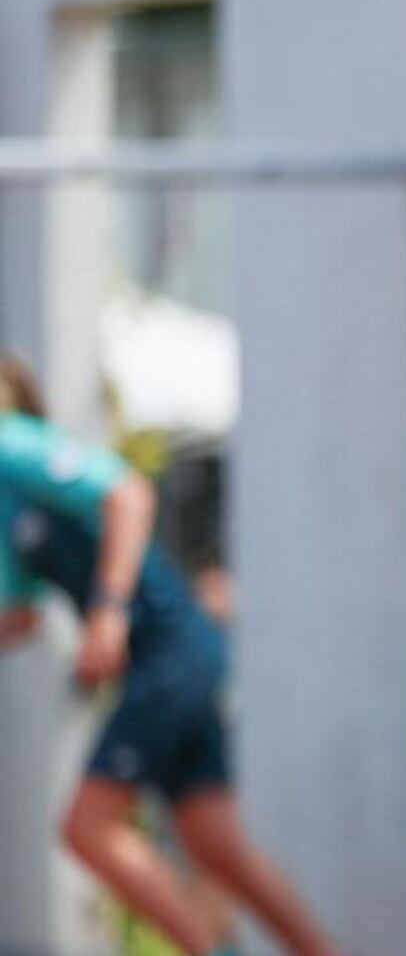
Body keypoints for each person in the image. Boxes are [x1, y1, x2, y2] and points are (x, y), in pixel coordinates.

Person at [0, 355, 339, 956]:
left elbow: (128, 495)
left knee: (86, 828)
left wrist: (108, 609)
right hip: (171, 659)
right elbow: (21, 616)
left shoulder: (12, 444)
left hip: (170, 652)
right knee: (216, 846)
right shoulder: (8, 500)